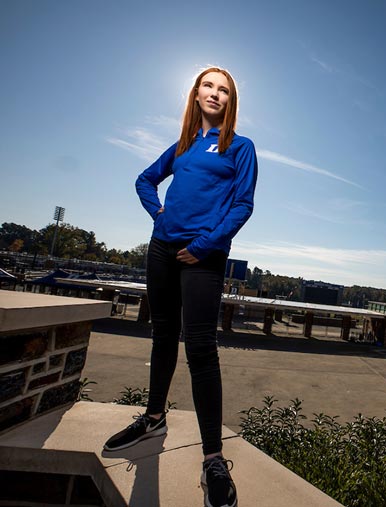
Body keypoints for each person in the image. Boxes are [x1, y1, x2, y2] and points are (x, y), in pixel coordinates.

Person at [104, 66, 257, 507]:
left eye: (223, 90)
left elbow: (243, 205)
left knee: (202, 349)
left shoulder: (240, 148)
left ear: (231, 101)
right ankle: (153, 418)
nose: (215, 94)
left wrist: (205, 243)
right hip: (161, 250)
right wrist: (160, 216)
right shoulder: (183, 146)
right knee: (163, 336)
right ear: (194, 94)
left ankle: (212, 458)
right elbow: (144, 179)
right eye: (208, 86)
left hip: (203, 257)